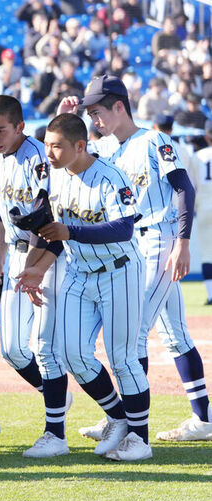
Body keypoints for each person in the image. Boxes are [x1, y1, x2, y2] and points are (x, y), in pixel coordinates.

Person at [59, 75, 211, 444]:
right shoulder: (107, 148)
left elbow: (183, 188)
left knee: (132, 336)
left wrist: (183, 243)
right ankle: (203, 419)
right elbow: (69, 160)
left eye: (98, 112)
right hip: (131, 247)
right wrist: (64, 115)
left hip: (160, 240)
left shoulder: (154, 140)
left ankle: (127, 422)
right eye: (89, 114)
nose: (94, 119)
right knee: (175, 335)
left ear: (119, 106)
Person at [16, 113, 150, 460]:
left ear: (80, 145)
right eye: (46, 144)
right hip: (79, 271)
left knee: (123, 358)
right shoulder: (54, 177)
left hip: (119, 271)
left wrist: (71, 232)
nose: (48, 152)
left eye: (56, 145)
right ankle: (119, 418)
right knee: (73, 354)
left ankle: (140, 440)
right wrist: (35, 270)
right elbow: (49, 231)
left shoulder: (110, 177)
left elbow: (123, 229)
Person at [0, 95, 70, 457]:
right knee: (12, 350)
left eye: (0, 129)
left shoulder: (37, 157)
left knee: (48, 348)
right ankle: (57, 398)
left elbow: (42, 214)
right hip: (17, 257)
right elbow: (2, 212)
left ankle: (55, 431)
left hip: (47, 255)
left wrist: (32, 268)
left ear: (20, 126)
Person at [198, 122, 212, 307]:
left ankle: (211, 295)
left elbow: (191, 185)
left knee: (207, 255)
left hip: (204, 207)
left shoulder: (198, 155)